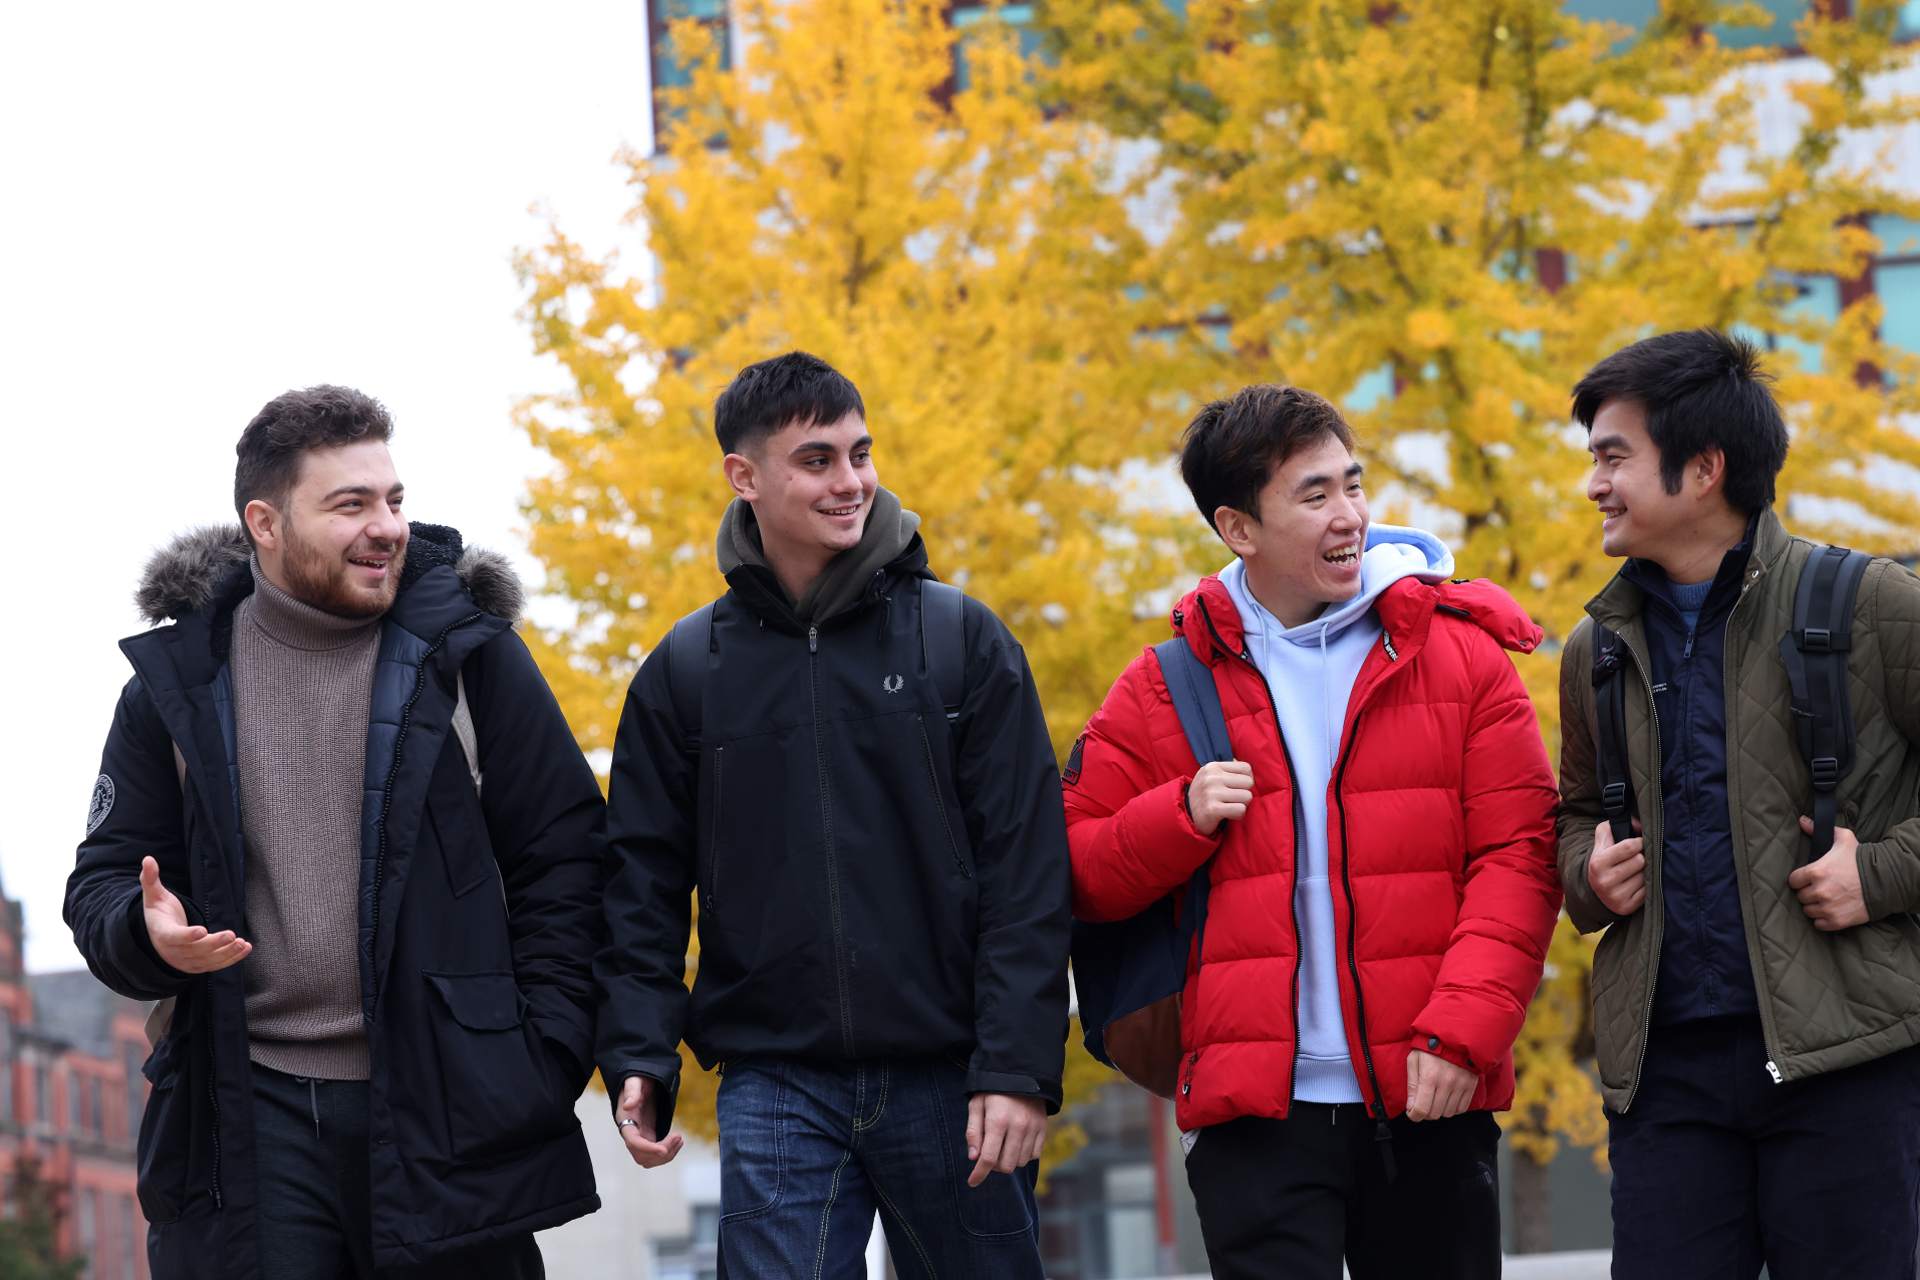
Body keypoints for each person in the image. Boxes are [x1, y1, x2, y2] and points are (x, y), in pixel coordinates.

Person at [66, 386, 604, 1279]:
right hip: (248, 1123)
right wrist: (144, 932)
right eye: (350, 505)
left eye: (393, 500)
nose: (386, 527)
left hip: (452, 1112)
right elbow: (102, 887)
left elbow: (569, 863)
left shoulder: (473, 658)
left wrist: (538, 1056)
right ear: (265, 524)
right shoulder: (174, 686)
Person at [1063, 384, 1562, 1279]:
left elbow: (1519, 856)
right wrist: (1176, 818)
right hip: (1254, 1118)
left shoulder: (1462, 657)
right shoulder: (1163, 686)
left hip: (1429, 1094)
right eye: (1315, 494)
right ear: (1238, 530)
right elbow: (1073, 869)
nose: (1351, 516)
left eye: (1353, 484)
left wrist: (1462, 1035)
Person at [594, 350, 1071, 1278]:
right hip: (774, 1082)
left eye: (860, 453)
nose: (850, 480)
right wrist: (639, 1055)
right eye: (817, 460)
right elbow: (640, 887)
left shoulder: (962, 640)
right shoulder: (686, 670)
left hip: (953, 1074)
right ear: (745, 477)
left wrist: (1016, 1066)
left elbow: (1027, 868)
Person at [1557, 329, 1920, 1278]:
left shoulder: (1871, 604)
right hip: (1665, 1073)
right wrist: (1587, 876)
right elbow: (1570, 815)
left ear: (1705, 467)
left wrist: (1878, 876)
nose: (1595, 482)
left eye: (1613, 456)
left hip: (1846, 1059)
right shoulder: (1591, 648)